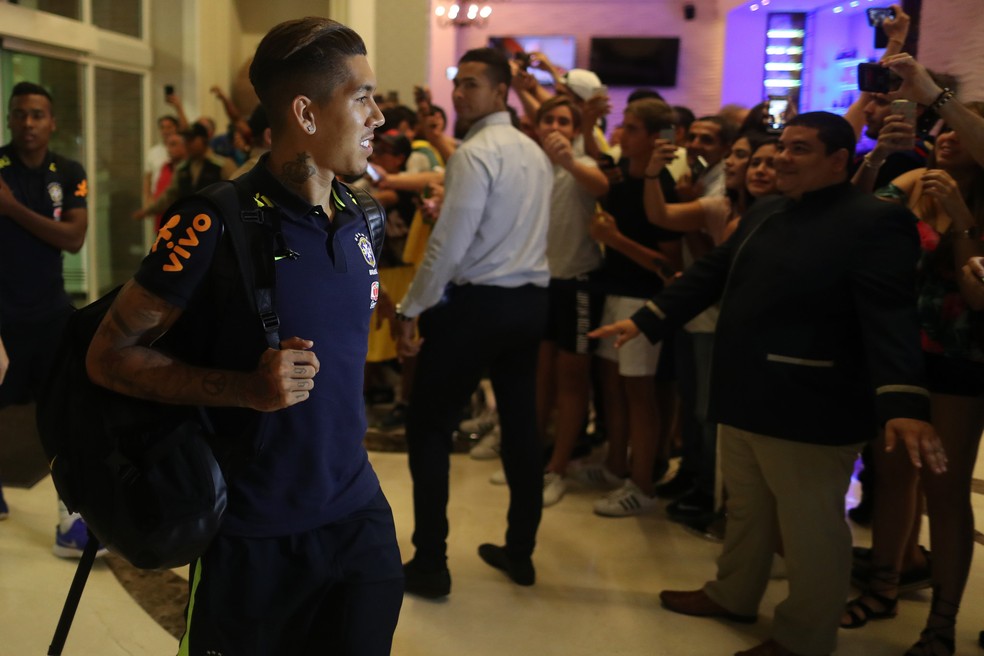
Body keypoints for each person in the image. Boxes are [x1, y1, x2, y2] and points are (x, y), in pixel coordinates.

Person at [85, 17, 403, 655]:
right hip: (253, 532)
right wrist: (245, 388)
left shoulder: (364, 216)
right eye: (363, 97)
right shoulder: (213, 221)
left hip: (358, 515)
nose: (380, 117)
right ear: (306, 113)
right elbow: (107, 356)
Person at [590, 111, 946, 656]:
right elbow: (712, 272)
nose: (782, 157)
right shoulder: (771, 211)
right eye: (784, 146)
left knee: (809, 529)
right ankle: (732, 593)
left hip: (812, 402)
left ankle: (804, 636)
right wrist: (647, 319)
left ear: (838, 160)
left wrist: (903, 400)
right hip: (747, 389)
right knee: (748, 510)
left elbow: (890, 314)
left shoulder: (872, 220)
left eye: (800, 149)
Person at [395, 47, 553, 597]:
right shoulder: (532, 152)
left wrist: (410, 307)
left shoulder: (476, 153)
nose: (460, 93)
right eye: (457, 83)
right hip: (530, 302)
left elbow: (448, 245)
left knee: (428, 424)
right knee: (520, 422)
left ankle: (431, 562)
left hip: (479, 305)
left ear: (501, 92)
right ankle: (520, 550)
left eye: (472, 84)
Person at [841, 102, 984, 656]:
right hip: (900, 354)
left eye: (964, 131)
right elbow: (853, 215)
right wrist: (875, 159)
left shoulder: (972, 203)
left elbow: (976, 296)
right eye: (946, 127)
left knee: (945, 491)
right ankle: (884, 587)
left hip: (959, 359)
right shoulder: (914, 181)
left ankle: (941, 626)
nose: (949, 137)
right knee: (892, 475)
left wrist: (962, 218)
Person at [0, 81, 95, 554]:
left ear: (52, 122)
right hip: (2, 313)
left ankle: (70, 518)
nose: (29, 123)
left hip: (50, 310)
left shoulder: (69, 170)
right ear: (10, 119)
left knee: (62, 413)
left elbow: (74, 238)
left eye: (38, 114)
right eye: (20, 114)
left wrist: (11, 208)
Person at [586, 98, 683, 517]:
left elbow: (670, 266)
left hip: (641, 299)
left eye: (632, 128)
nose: (622, 133)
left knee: (640, 394)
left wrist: (616, 241)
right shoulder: (624, 175)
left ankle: (641, 484)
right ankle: (615, 465)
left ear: (656, 138)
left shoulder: (659, 184)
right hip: (614, 289)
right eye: (622, 125)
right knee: (614, 389)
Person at [533, 95, 609, 507]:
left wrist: (568, 161)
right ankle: (535, 457)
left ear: (577, 131)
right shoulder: (534, 165)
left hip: (578, 283)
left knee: (572, 378)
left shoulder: (584, 166)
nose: (557, 126)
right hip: (543, 282)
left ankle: (559, 467)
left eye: (565, 121)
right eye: (550, 119)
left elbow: (602, 187)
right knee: (539, 375)